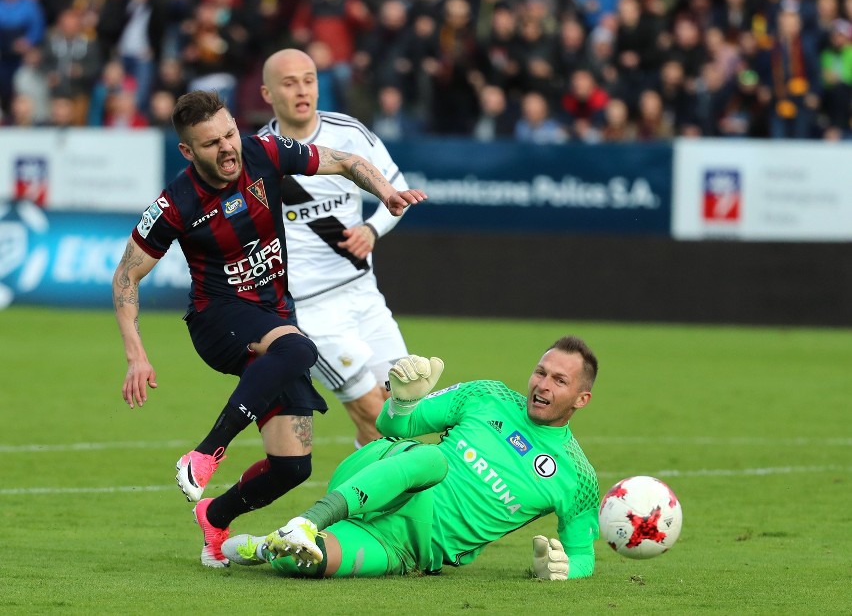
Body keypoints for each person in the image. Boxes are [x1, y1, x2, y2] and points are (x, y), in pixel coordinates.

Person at [112, 90, 426, 568]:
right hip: (218, 320)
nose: (226, 148)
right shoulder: (175, 203)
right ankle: (205, 453)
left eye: (229, 134)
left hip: (276, 321)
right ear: (187, 151)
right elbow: (127, 275)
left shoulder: (266, 152)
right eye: (211, 143)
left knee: (292, 466)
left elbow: (343, 159)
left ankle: (214, 517)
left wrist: (384, 192)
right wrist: (136, 353)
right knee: (301, 351)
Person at [222, 336, 601, 580]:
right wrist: (402, 402)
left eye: (559, 381)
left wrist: (564, 570)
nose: (543, 385)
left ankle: (275, 542)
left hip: (409, 548)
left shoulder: (578, 478)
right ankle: (307, 521)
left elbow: (582, 556)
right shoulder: (488, 395)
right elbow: (394, 427)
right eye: (540, 372)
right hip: (386, 476)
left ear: (581, 399)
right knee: (433, 461)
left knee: (301, 562)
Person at [258, 48, 415, 449]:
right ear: (267, 93)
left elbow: (395, 195)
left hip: (364, 294)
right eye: (289, 83)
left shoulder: (349, 134)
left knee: (406, 411)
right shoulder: (257, 156)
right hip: (311, 309)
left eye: (308, 80)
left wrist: (372, 230)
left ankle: (373, 498)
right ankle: (365, 507)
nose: (301, 90)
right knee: (372, 412)